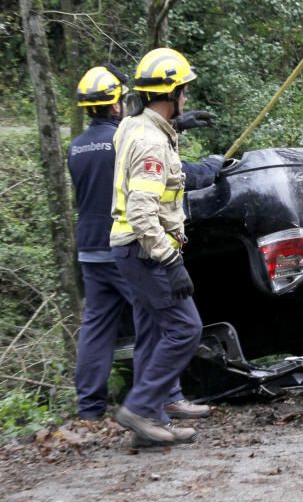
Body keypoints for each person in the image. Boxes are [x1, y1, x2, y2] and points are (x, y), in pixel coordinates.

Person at [68, 64, 214, 422]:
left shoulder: (78, 147)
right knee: (160, 321)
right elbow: (159, 174)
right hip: (133, 240)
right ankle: (160, 400)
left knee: (96, 328)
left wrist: (175, 125)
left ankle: (90, 409)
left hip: (90, 247)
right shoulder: (135, 140)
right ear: (116, 104)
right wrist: (210, 168)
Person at [110, 47, 223, 446]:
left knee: (153, 333)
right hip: (146, 250)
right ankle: (140, 408)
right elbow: (143, 214)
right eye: (184, 93)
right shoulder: (152, 146)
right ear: (172, 95)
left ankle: (150, 422)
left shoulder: (135, 126)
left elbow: (140, 137)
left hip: (129, 250)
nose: (186, 99)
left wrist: (178, 127)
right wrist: (170, 260)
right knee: (184, 329)